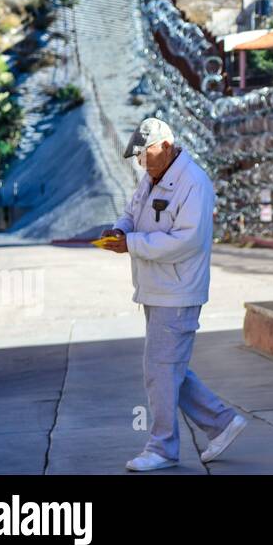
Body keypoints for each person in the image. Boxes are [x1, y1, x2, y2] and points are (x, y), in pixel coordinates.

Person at [98, 117, 248, 471]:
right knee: (169, 370)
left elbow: (186, 240)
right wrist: (120, 229)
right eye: (137, 157)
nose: (140, 163)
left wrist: (131, 244)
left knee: (160, 371)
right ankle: (223, 423)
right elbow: (133, 212)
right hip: (157, 289)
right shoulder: (152, 178)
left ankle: (163, 448)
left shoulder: (192, 183)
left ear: (166, 146)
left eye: (144, 154)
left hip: (178, 290)